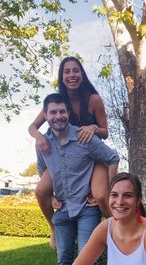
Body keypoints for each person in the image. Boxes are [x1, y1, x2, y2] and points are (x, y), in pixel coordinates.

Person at [28, 56, 111, 248]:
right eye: (67, 71)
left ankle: (116, 226)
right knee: (41, 191)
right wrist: (38, 137)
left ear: (82, 74)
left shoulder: (93, 99)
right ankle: (53, 229)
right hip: (63, 154)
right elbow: (32, 127)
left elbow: (105, 132)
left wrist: (93, 128)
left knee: (99, 196)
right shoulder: (58, 102)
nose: (71, 75)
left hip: (91, 152)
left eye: (76, 70)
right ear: (62, 76)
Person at [36, 93, 120, 265]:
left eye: (62, 111)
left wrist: (110, 191)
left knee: (87, 259)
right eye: (53, 112)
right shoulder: (42, 143)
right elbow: (42, 169)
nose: (58, 116)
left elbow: (112, 158)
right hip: (62, 209)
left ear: (68, 113)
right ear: (45, 115)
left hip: (86, 209)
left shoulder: (85, 137)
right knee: (63, 260)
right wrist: (51, 196)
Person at [72, 172, 146, 265]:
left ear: (138, 200)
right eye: (114, 195)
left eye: (127, 195)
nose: (119, 202)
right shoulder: (106, 227)